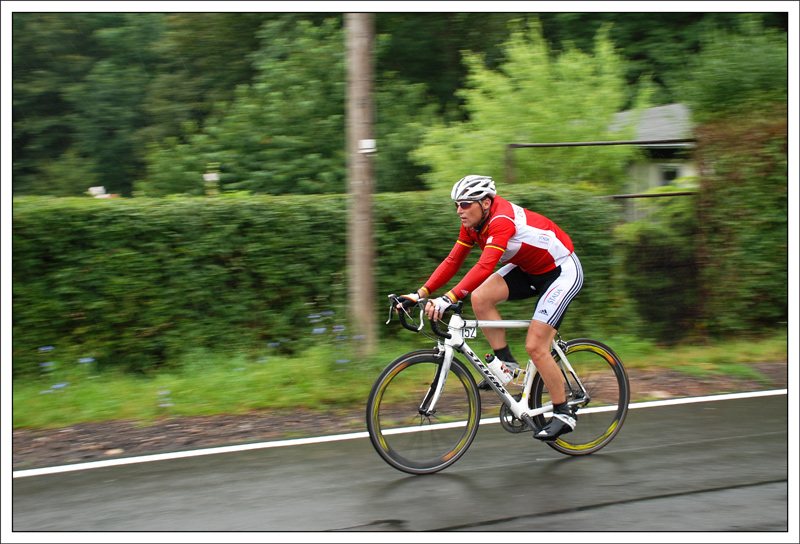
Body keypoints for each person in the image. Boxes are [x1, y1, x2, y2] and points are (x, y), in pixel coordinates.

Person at [397, 175, 584, 441]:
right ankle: (507, 365)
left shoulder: (500, 221)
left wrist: (447, 299)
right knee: (480, 298)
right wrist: (420, 294)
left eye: (464, 204)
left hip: (561, 271)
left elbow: (485, 266)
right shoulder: (473, 225)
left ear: (485, 203)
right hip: (529, 269)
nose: (459, 210)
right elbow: (452, 261)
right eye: (456, 205)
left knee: (536, 346)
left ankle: (564, 413)